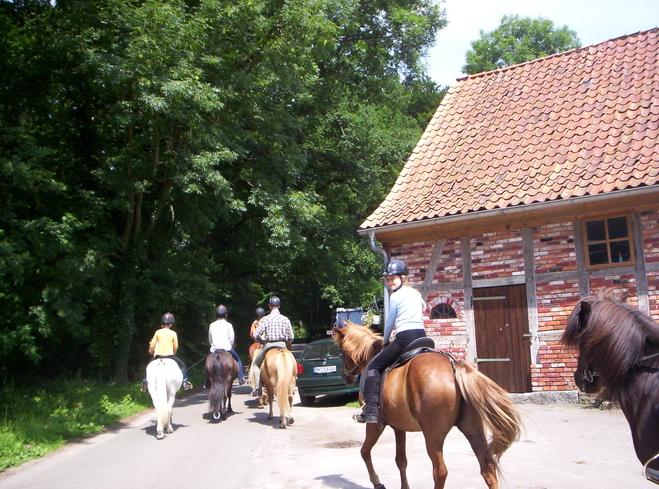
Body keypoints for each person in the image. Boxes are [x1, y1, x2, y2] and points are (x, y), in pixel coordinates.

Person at [355, 259, 427, 423]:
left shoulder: (396, 296)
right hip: (422, 337)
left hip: (405, 338)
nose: (389, 282)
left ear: (403, 278)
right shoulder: (416, 294)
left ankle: (371, 410)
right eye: (387, 279)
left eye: (392, 278)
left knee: (374, 366)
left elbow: (389, 322)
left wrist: (385, 341)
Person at [250, 296, 294, 397]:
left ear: (269, 306)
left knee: (256, 364)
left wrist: (262, 341)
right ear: (279, 306)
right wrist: (287, 343)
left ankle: (258, 388)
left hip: (268, 345)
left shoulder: (265, 319)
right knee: (292, 363)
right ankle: (291, 385)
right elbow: (291, 336)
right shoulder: (285, 319)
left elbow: (256, 335)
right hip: (283, 345)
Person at [141, 313, 193, 392]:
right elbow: (176, 346)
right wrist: (174, 353)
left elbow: (152, 345)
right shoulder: (173, 333)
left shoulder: (158, 332)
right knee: (182, 365)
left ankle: (144, 384)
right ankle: (185, 383)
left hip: (158, 356)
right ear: (171, 324)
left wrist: (151, 352)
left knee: (147, 367)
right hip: (170, 356)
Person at [208, 305, 246, 385]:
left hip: (214, 349)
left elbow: (210, 339)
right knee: (238, 360)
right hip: (226, 348)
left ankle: (207, 381)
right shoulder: (229, 325)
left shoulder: (212, 325)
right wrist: (230, 345)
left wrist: (213, 345)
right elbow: (231, 338)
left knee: (207, 363)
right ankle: (241, 378)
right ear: (225, 315)